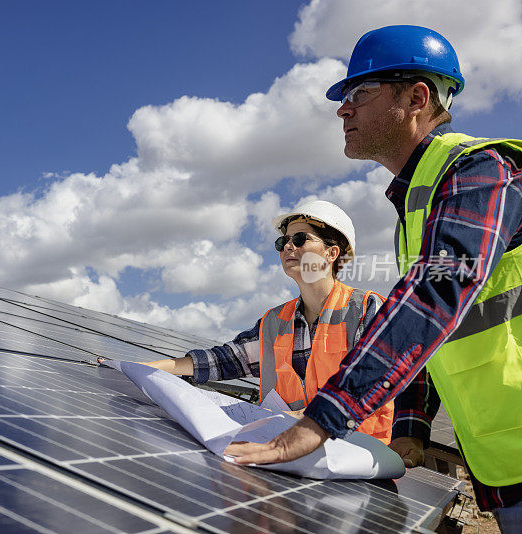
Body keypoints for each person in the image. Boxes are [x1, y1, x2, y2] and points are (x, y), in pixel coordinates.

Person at [222, 25, 522, 531]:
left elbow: (435, 298)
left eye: (360, 93)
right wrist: (414, 425)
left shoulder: (482, 173)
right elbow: (440, 335)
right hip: (503, 467)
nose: (343, 109)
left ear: (417, 97)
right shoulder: (420, 203)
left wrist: (323, 419)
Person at [134, 200, 394, 444]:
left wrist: (307, 417)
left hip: (356, 457)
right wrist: (141, 368)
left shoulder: (367, 310)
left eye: (301, 238)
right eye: (283, 241)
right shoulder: (274, 322)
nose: (289, 246)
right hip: (285, 452)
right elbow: (224, 360)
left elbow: (370, 385)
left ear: (331, 253)